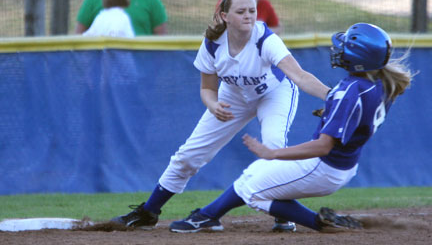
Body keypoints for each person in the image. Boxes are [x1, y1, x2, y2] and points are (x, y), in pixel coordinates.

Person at [110, 0, 330, 231]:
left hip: (274, 93)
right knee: (189, 154)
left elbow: (299, 76)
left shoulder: (265, 39)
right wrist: (213, 105)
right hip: (233, 96)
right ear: (225, 16)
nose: (248, 16)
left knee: (273, 146)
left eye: (252, 11)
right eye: (241, 11)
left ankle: (283, 212)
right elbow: (207, 88)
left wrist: (332, 97)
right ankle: (149, 211)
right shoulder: (213, 43)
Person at [168, 23, 415, 233]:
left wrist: (273, 153)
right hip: (344, 164)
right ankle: (209, 215)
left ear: (359, 58)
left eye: (345, 46)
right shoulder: (380, 83)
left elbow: (323, 145)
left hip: (325, 167)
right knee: (259, 176)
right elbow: (353, 117)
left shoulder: (350, 90)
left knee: (249, 188)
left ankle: (319, 223)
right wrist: (332, 113)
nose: (338, 49)